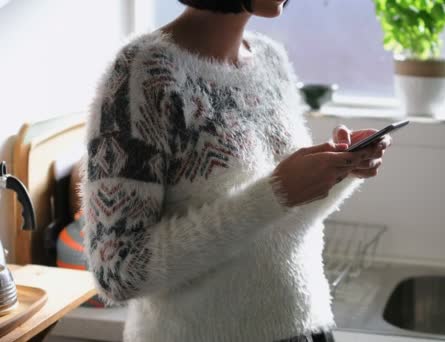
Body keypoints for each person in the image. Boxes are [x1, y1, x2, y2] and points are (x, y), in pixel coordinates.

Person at [82, 0, 392, 341]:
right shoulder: (141, 74)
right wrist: (277, 193)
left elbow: (280, 222)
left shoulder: (270, 59)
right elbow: (119, 272)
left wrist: (340, 170)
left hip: (306, 328)